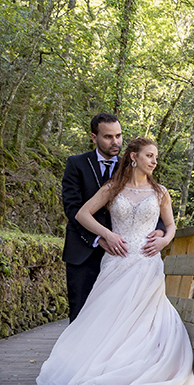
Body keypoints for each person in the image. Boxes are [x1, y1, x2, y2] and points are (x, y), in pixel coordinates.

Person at [36, 137, 194, 385]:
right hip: (117, 261)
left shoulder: (160, 192)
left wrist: (164, 240)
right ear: (133, 157)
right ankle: (103, 369)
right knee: (109, 316)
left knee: (144, 318)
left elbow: (171, 226)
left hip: (147, 263)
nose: (154, 161)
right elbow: (82, 213)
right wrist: (106, 234)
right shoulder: (113, 187)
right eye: (149, 155)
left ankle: (140, 367)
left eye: (156, 156)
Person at [61, 113, 163, 322]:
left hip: (124, 254)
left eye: (118, 135)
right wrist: (100, 237)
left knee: (118, 317)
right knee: (81, 314)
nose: (115, 142)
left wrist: (161, 230)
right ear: (94, 137)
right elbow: (72, 209)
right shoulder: (76, 163)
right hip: (84, 249)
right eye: (108, 137)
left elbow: (152, 199)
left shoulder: (134, 164)